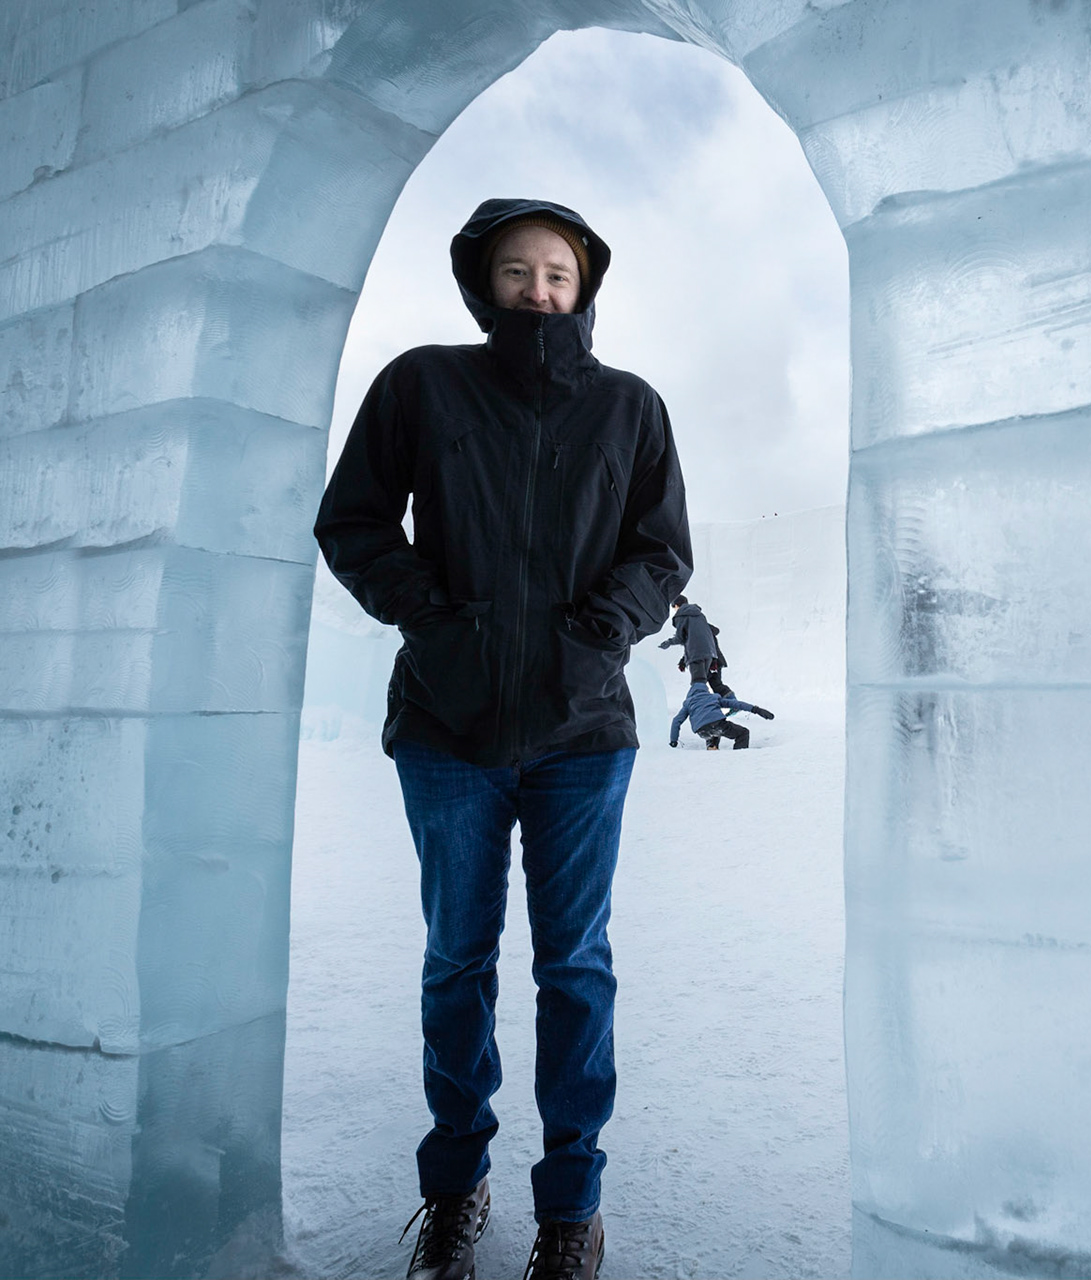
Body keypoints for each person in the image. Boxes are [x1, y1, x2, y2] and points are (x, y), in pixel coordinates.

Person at [314, 198, 693, 1280]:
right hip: (447, 725)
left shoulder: (630, 406)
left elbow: (662, 552)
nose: (538, 289)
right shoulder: (423, 383)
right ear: (483, 280)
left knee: (573, 966)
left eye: (558, 274)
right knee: (456, 961)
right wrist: (436, 624)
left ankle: (572, 1206)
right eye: (518, 270)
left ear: (585, 287)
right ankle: (455, 1189)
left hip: (582, 732)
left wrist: (596, 635)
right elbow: (354, 521)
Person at [669, 679, 774, 750]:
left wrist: (673, 740)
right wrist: (756, 710)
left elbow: (676, 721)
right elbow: (736, 704)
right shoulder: (713, 697)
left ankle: (712, 749)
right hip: (717, 724)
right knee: (743, 733)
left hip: (701, 730)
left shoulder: (688, 703)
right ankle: (740, 759)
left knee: (712, 734)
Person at [658, 596, 730, 694]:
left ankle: (702, 706)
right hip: (710, 655)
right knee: (707, 683)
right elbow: (697, 640)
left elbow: (681, 638)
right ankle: (728, 703)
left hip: (697, 656)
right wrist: (683, 660)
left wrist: (668, 642)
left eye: (673, 607)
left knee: (699, 683)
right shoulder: (700, 616)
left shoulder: (681, 615)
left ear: (676, 605)